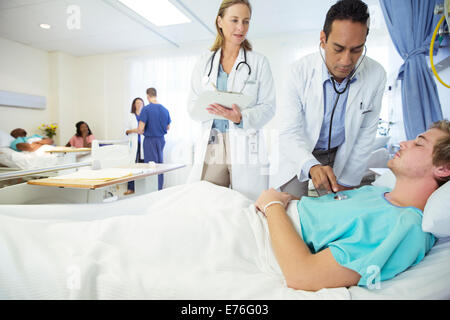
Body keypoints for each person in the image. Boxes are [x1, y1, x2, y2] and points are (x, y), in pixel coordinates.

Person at [256, 120, 450, 290]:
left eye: (418, 144)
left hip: (267, 233)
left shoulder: (405, 225)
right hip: (270, 215)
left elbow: (303, 275)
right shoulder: (375, 192)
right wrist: (283, 201)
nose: (403, 143)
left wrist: (273, 205)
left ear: (443, 168)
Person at [270, 0, 387, 199]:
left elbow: (365, 134)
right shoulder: (299, 72)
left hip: (340, 153)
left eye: (357, 49)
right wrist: (312, 165)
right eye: (338, 49)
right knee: (292, 207)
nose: (346, 61)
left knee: (338, 207)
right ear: (323, 39)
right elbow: (289, 132)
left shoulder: (376, 74)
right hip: (300, 150)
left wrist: (347, 182)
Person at [187, 0, 276, 200]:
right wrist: (208, 106)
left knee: (247, 206)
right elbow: (192, 106)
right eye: (234, 20)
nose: (240, 28)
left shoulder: (259, 62)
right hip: (213, 143)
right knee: (208, 203)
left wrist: (240, 118)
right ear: (219, 21)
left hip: (245, 143)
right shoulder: (204, 62)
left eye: (246, 21)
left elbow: (269, 107)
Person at [138, 88, 171, 190]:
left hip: (150, 140)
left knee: (151, 165)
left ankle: (151, 189)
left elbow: (140, 129)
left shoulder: (146, 109)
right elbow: (168, 127)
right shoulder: (165, 110)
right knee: (159, 165)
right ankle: (159, 188)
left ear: (148, 96)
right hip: (161, 140)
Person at [125, 97, 145, 195]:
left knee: (142, 165)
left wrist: (141, 130)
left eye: (141, 103)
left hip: (143, 144)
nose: (139, 105)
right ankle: (131, 188)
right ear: (134, 105)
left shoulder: (145, 115)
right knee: (132, 165)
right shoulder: (130, 116)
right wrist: (135, 130)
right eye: (137, 103)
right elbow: (126, 131)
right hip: (133, 143)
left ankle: (142, 187)